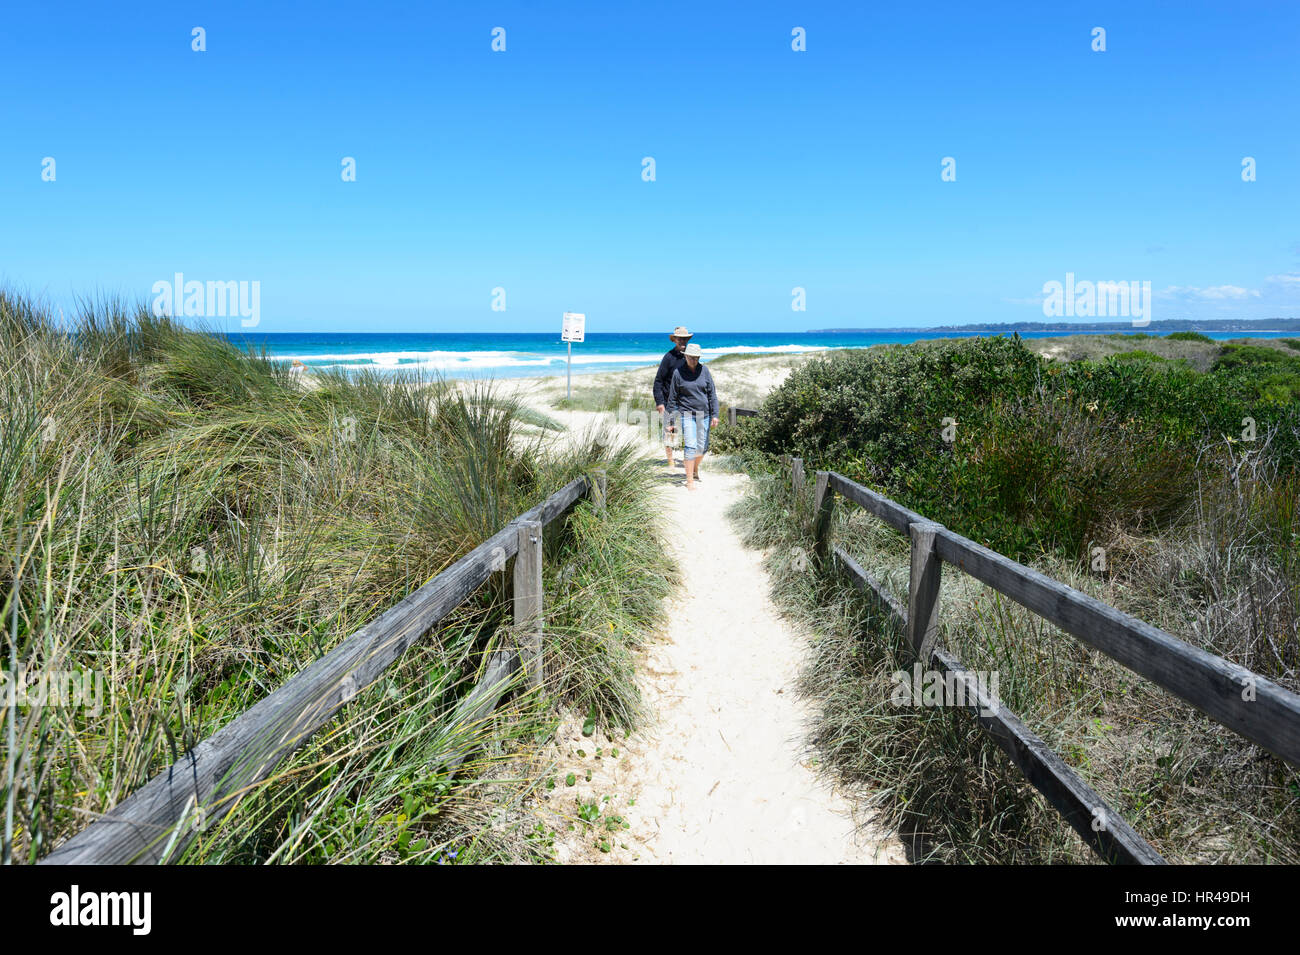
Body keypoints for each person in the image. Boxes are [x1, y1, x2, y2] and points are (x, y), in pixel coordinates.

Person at [665, 342, 719, 491]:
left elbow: (712, 394)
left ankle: (695, 469)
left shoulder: (705, 371)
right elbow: (672, 398)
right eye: (691, 357)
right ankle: (689, 480)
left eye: (696, 358)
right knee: (690, 446)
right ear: (686, 356)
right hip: (687, 414)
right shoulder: (678, 373)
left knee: (702, 448)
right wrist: (670, 421)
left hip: (705, 415)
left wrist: (715, 414)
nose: (694, 360)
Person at [653, 326, 691, 468]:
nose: (682, 341)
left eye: (685, 339)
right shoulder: (668, 357)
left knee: (688, 432)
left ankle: (688, 460)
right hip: (670, 402)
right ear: (674, 340)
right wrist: (660, 402)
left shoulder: (691, 356)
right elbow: (658, 381)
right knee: (670, 432)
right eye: (680, 338)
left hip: (686, 402)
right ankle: (671, 461)